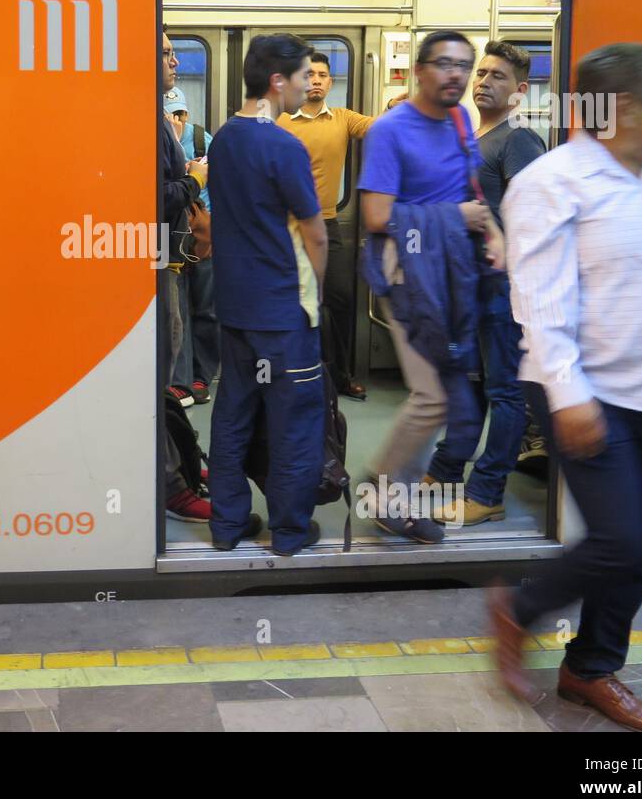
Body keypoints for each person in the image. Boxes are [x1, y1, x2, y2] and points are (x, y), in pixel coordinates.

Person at [490, 43, 642, 731]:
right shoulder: (552, 181)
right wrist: (569, 394)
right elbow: (537, 298)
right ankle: (518, 608)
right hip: (581, 389)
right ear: (625, 108)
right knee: (621, 538)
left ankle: (590, 667)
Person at [357, 31, 504, 544]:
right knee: (434, 396)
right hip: (407, 273)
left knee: (443, 393)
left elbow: (471, 190)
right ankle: (384, 488)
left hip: (452, 273)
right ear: (419, 70)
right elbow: (376, 217)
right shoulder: (390, 131)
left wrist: (493, 233)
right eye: (444, 64)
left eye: (464, 65)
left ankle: (393, 491)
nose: (456, 75)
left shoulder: (462, 120)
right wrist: (454, 218)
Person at [207, 34, 328, 556]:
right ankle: (289, 531)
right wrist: (317, 293)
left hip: (233, 307)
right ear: (277, 82)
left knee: (232, 415)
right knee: (294, 423)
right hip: (282, 311)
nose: (309, 85)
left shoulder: (223, 138)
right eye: (303, 76)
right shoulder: (283, 145)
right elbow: (316, 232)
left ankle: (226, 524)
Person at [430, 41, 545, 526]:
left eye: (497, 76)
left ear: (518, 91)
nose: (483, 82)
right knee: (467, 385)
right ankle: (446, 470)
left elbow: (532, 218)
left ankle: (488, 491)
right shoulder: (475, 139)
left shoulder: (518, 141)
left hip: (504, 286)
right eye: (481, 73)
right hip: (472, 285)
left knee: (505, 392)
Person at [276, 52, 374, 400]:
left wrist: (397, 105)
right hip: (285, 228)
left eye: (323, 75)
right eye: (310, 74)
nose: (316, 80)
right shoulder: (281, 121)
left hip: (327, 224)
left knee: (340, 301)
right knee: (290, 303)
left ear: (331, 82)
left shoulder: (344, 119)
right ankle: (289, 375)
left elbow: (382, 129)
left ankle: (340, 377)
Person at [159, 32, 211, 522]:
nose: (175, 60)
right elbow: (154, 197)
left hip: (166, 260)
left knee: (166, 369)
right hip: (152, 263)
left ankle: (183, 460)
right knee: (157, 372)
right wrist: (196, 178)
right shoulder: (145, 120)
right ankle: (171, 483)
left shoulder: (159, 117)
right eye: (166, 52)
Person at [165, 92, 220, 407]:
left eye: (181, 113)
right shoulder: (159, 140)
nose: (177, 120)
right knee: (178, 309)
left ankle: (203, 374)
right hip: (170, 235)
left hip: (201, 234)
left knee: (206, 308)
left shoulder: (202, 139)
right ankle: (180, 380)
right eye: (171, 113)